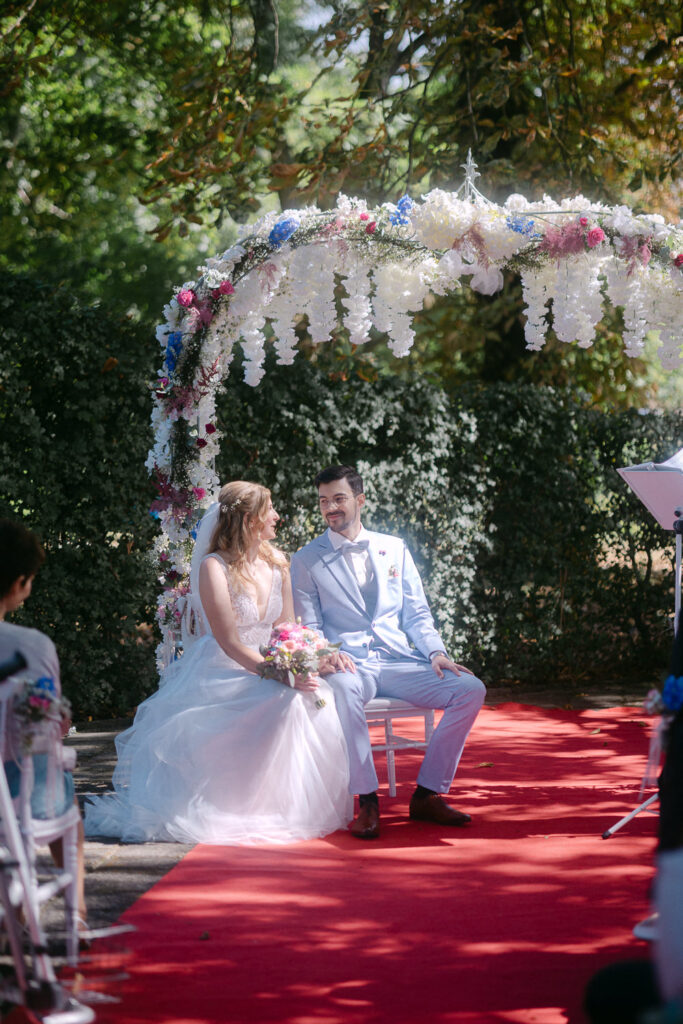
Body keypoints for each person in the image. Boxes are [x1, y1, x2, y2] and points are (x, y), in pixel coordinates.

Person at [84, 481, 352, 845]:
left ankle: (283, 805)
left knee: (317, 694)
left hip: (269, 661)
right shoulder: (214, 567)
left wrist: (310, 657)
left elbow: (287, 628)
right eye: (269, 510)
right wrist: (280, 675)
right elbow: (229, 642)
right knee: (286, 700)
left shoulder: (278, 564)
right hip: (226, 669)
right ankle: (246, 806)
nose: (277, 516)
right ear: (249, 519)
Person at [290, 465, 486, 839]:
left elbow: (416, 613)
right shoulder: (306, 559)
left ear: (360, 500)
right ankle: (367, 801)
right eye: (323, 501)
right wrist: (326, 653)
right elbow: (310, 626)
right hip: (350, 664)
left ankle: (427, 795)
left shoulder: (394, 548)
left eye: (339, 499)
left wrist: (435, 652)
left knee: (470, 689)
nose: (330, 508)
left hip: (399, 661)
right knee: (344, 691)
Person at [0, 518, 87, 928]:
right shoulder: (32, 646)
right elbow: (45, 725)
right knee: (54, 777)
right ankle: (77, 916)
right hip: (22, 800)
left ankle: (13, 917)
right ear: (19, 582)